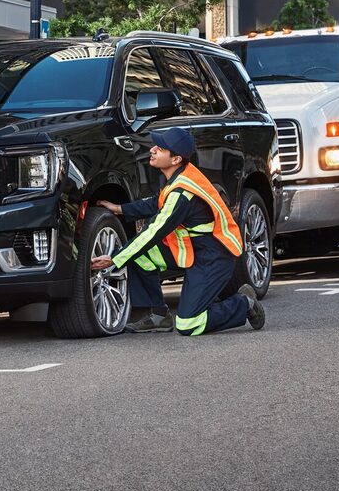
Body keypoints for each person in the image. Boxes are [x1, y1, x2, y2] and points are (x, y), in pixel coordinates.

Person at [90, 126, 266, 336]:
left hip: (214, 257)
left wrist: (115, 258)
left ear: (175, 159)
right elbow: (158, 202)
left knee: (189, 324)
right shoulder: (180, 176)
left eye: (161, 148)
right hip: (194, 249)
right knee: (138, 257)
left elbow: (152, 232)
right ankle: (158, 316)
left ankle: (243, 303)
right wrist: (120, 209)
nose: (153, 149)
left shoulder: (182, 195)